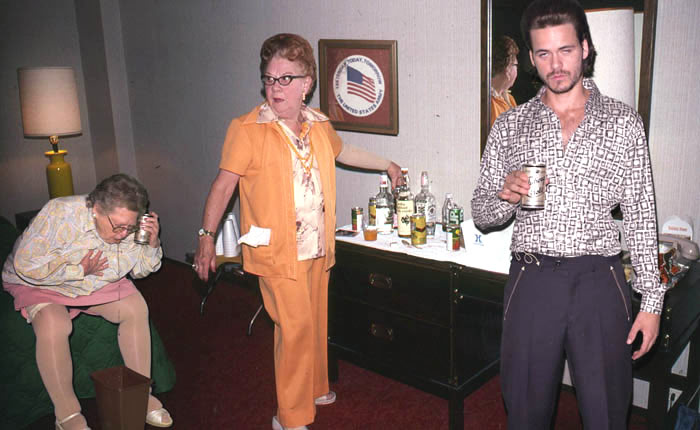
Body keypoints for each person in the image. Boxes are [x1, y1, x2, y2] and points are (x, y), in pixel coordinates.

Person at [193, 33, 402, 430]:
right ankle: (288, 416)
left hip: (317, 245)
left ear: (307, 82)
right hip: (277, 251)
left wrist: (387, 164)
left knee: (315, 320)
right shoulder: (247, 129)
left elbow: (344, 152)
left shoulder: (318, 124)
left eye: (286, 78)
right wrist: (206, 236)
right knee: (294, 328)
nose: (275, 88)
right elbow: (223, 186)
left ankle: (314, 387)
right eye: (269, 78)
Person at [471, 0, 664, 428]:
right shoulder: (510, 125)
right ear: (531, 56)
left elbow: (641, 215)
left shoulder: (623, 123)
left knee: (606, 412)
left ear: (585, 49)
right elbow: (482, 213)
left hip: (599, 280)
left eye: (565, 50)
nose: (555, 65)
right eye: (543, 53)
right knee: (525, 411)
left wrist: (652, 301)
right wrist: (505, 194)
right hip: (532, 279)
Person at [2, 174, 173, 430]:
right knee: (54, 324)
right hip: (42, 281)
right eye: (118, 227)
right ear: (95, 208)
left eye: (130, 227)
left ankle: (141, 395)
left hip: (95, 281)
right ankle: (67, 415)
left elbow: (139, 271)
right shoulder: (59, 212)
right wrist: (77, 270)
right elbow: (25, 265)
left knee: (136, 307)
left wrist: (152, 243)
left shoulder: (129, 225)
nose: (123, 234)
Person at [490, 35, 519, 127]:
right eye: (516, 65)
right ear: (507, 68)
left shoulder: (510, 99)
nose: (517, 70)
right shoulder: (488, 103)